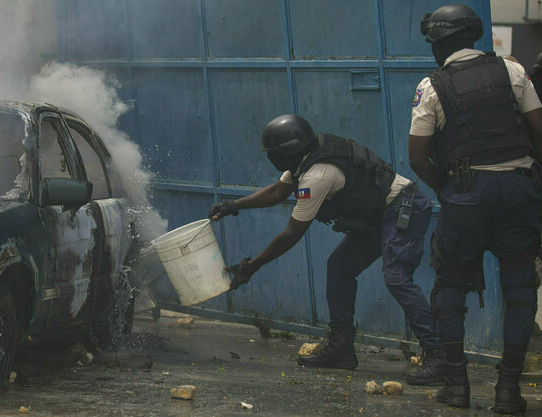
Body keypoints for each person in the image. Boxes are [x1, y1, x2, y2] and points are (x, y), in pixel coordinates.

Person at [210, 114, 443, 385]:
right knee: (340, 267)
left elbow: (292, 234)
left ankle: (439, 355)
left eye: (272, 153)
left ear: (282, 154)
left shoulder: (318, 174)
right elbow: (276, 192)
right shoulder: (303, 161)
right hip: (380, 214)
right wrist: (233, 205)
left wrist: (251, 267)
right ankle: (341, 348)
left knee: (396, 277)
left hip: (405, 207)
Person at [409, 4, 542, 414]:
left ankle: (457, 386)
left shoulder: (431, 86)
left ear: (438, 44)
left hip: (466, 194)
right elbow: (539, 132)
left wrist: (448, 189)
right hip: (518, 191)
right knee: (520, 289)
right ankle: (507, 391)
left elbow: (417, 156)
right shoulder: (512, 71)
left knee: (450, 283)